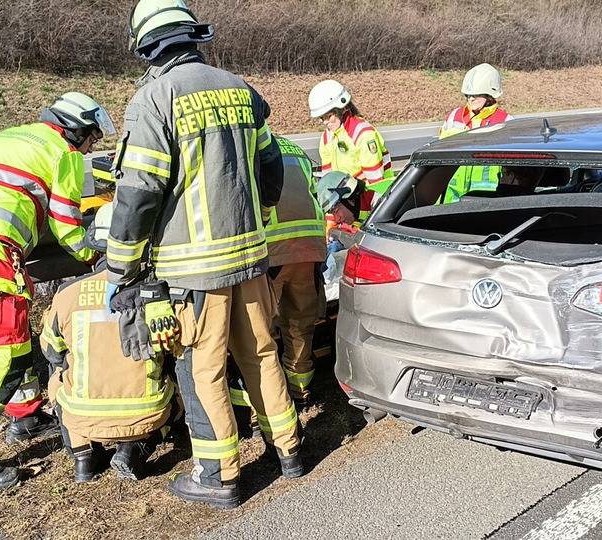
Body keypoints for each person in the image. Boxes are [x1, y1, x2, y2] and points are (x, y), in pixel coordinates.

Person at [107, 0, 302, 509]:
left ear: (147, 47)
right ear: (194, 36)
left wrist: (122, 265)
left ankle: (218, 476)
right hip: (249, 258)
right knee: (261, 353)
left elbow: (140, 190)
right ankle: (290, 451)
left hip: (194, 271)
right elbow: (271, 169)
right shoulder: (240, 89)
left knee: (202, 371)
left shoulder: (154, 98)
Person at [0, 92, 114, 490]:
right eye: (91, 140)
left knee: (13, 336)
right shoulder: (62, 152)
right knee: (9, 351)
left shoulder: (6, 138)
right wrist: (95, 258)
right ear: (77, 131)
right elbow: (66, 221)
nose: (90, 149)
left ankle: (27, 415)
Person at [39, 210, 177, 483]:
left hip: (82, 418)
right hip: (148, 413)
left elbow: (51, 349)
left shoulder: (67, 294)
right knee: (179, 387)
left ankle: (83, 457)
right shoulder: (155, 293)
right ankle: (136, 447)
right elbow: (172, 346)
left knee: (57, 377)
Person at [230, 135, 327, 421]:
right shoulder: (296, 150)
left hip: (272, 251)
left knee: (260, 330)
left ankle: (264, 403)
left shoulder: (246, 149)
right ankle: (301, 391)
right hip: (309, 246)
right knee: (300, 323)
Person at [309, 80, 394, 223]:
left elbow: (377, 185)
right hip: (349, 211)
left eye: (328, 116)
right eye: (322, 118)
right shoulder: (326, 138)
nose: (325, 122)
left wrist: (374, 220)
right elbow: (329, 184)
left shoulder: (363, 134)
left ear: (342, 109)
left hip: (373, 209)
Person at [439, 64, 513, 202]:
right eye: (468, 95)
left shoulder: (505, 122)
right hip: (451, 196)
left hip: (486, 199)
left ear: (490, 95)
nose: (470, 99)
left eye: (476, 95)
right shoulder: (454, 116)